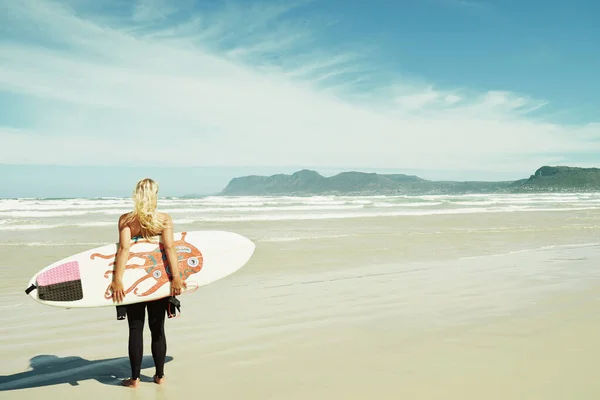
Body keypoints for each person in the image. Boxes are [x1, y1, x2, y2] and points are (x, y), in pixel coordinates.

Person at [105, 178, 186, 388]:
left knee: (135, 328)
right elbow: (169, 249)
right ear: (154, 195)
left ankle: (135, 379)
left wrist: (118, 281)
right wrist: (176, 277)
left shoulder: (126, 220)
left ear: (137, 195)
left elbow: (124, 249)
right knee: (157, 327)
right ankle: (159, 376)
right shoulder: (164, 220)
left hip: (134, 282)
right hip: (157, 281)